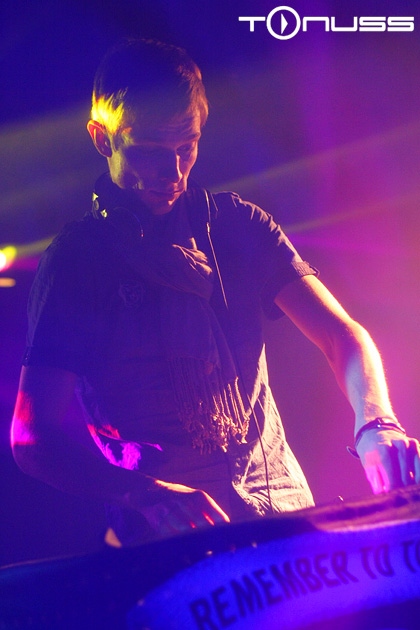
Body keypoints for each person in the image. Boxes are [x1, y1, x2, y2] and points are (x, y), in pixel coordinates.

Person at [11, 38, 420, 546]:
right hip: (166, 544)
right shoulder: (77, 262)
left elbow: (342, 336)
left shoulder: (239, 225)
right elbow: (32, 437)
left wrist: (376, 423)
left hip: (286, 520)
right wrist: (144, 493)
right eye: (150, 152)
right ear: (102, 138)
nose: (174, 173)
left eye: (187, 147)